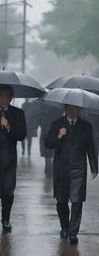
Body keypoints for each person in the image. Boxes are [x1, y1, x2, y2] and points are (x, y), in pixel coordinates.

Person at [45, 104, 98, 244]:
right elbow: (48, 143)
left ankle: (73, 232)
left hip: (78, 167)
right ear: (66, 109)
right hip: (61, 167)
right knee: (61, 200)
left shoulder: (86, 125)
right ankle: (64, 227)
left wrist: (94, 167)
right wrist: (58, 136)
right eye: (72, 108)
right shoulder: (57, 124)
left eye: (78, 108)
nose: (75, 111)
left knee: (77, 200)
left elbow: (90, 147)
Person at [0, 85, 26, 231]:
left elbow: (22, 135)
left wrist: (8, 126)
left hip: (9, 160)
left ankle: (6, 219)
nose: (4, 99)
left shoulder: (18, 113)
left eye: (7, 96)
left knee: (8, 191)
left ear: (11, 98)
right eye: (1, 96)